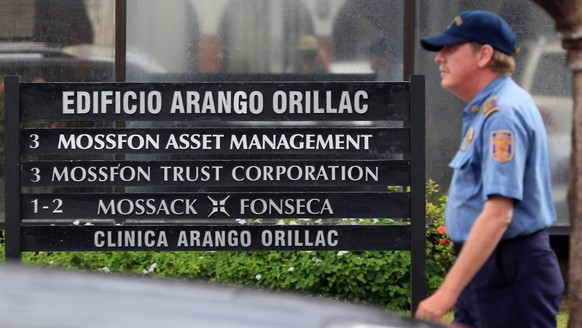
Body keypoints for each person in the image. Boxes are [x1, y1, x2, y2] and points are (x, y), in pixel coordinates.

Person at [416, 10, 564, 327]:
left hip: (509, 271)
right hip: (487, 266)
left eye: (451, 49)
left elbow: (499, 213)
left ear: (484, 54)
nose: (439, 58)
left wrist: (445, 295)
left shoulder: (502, 114)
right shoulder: (487, 109)